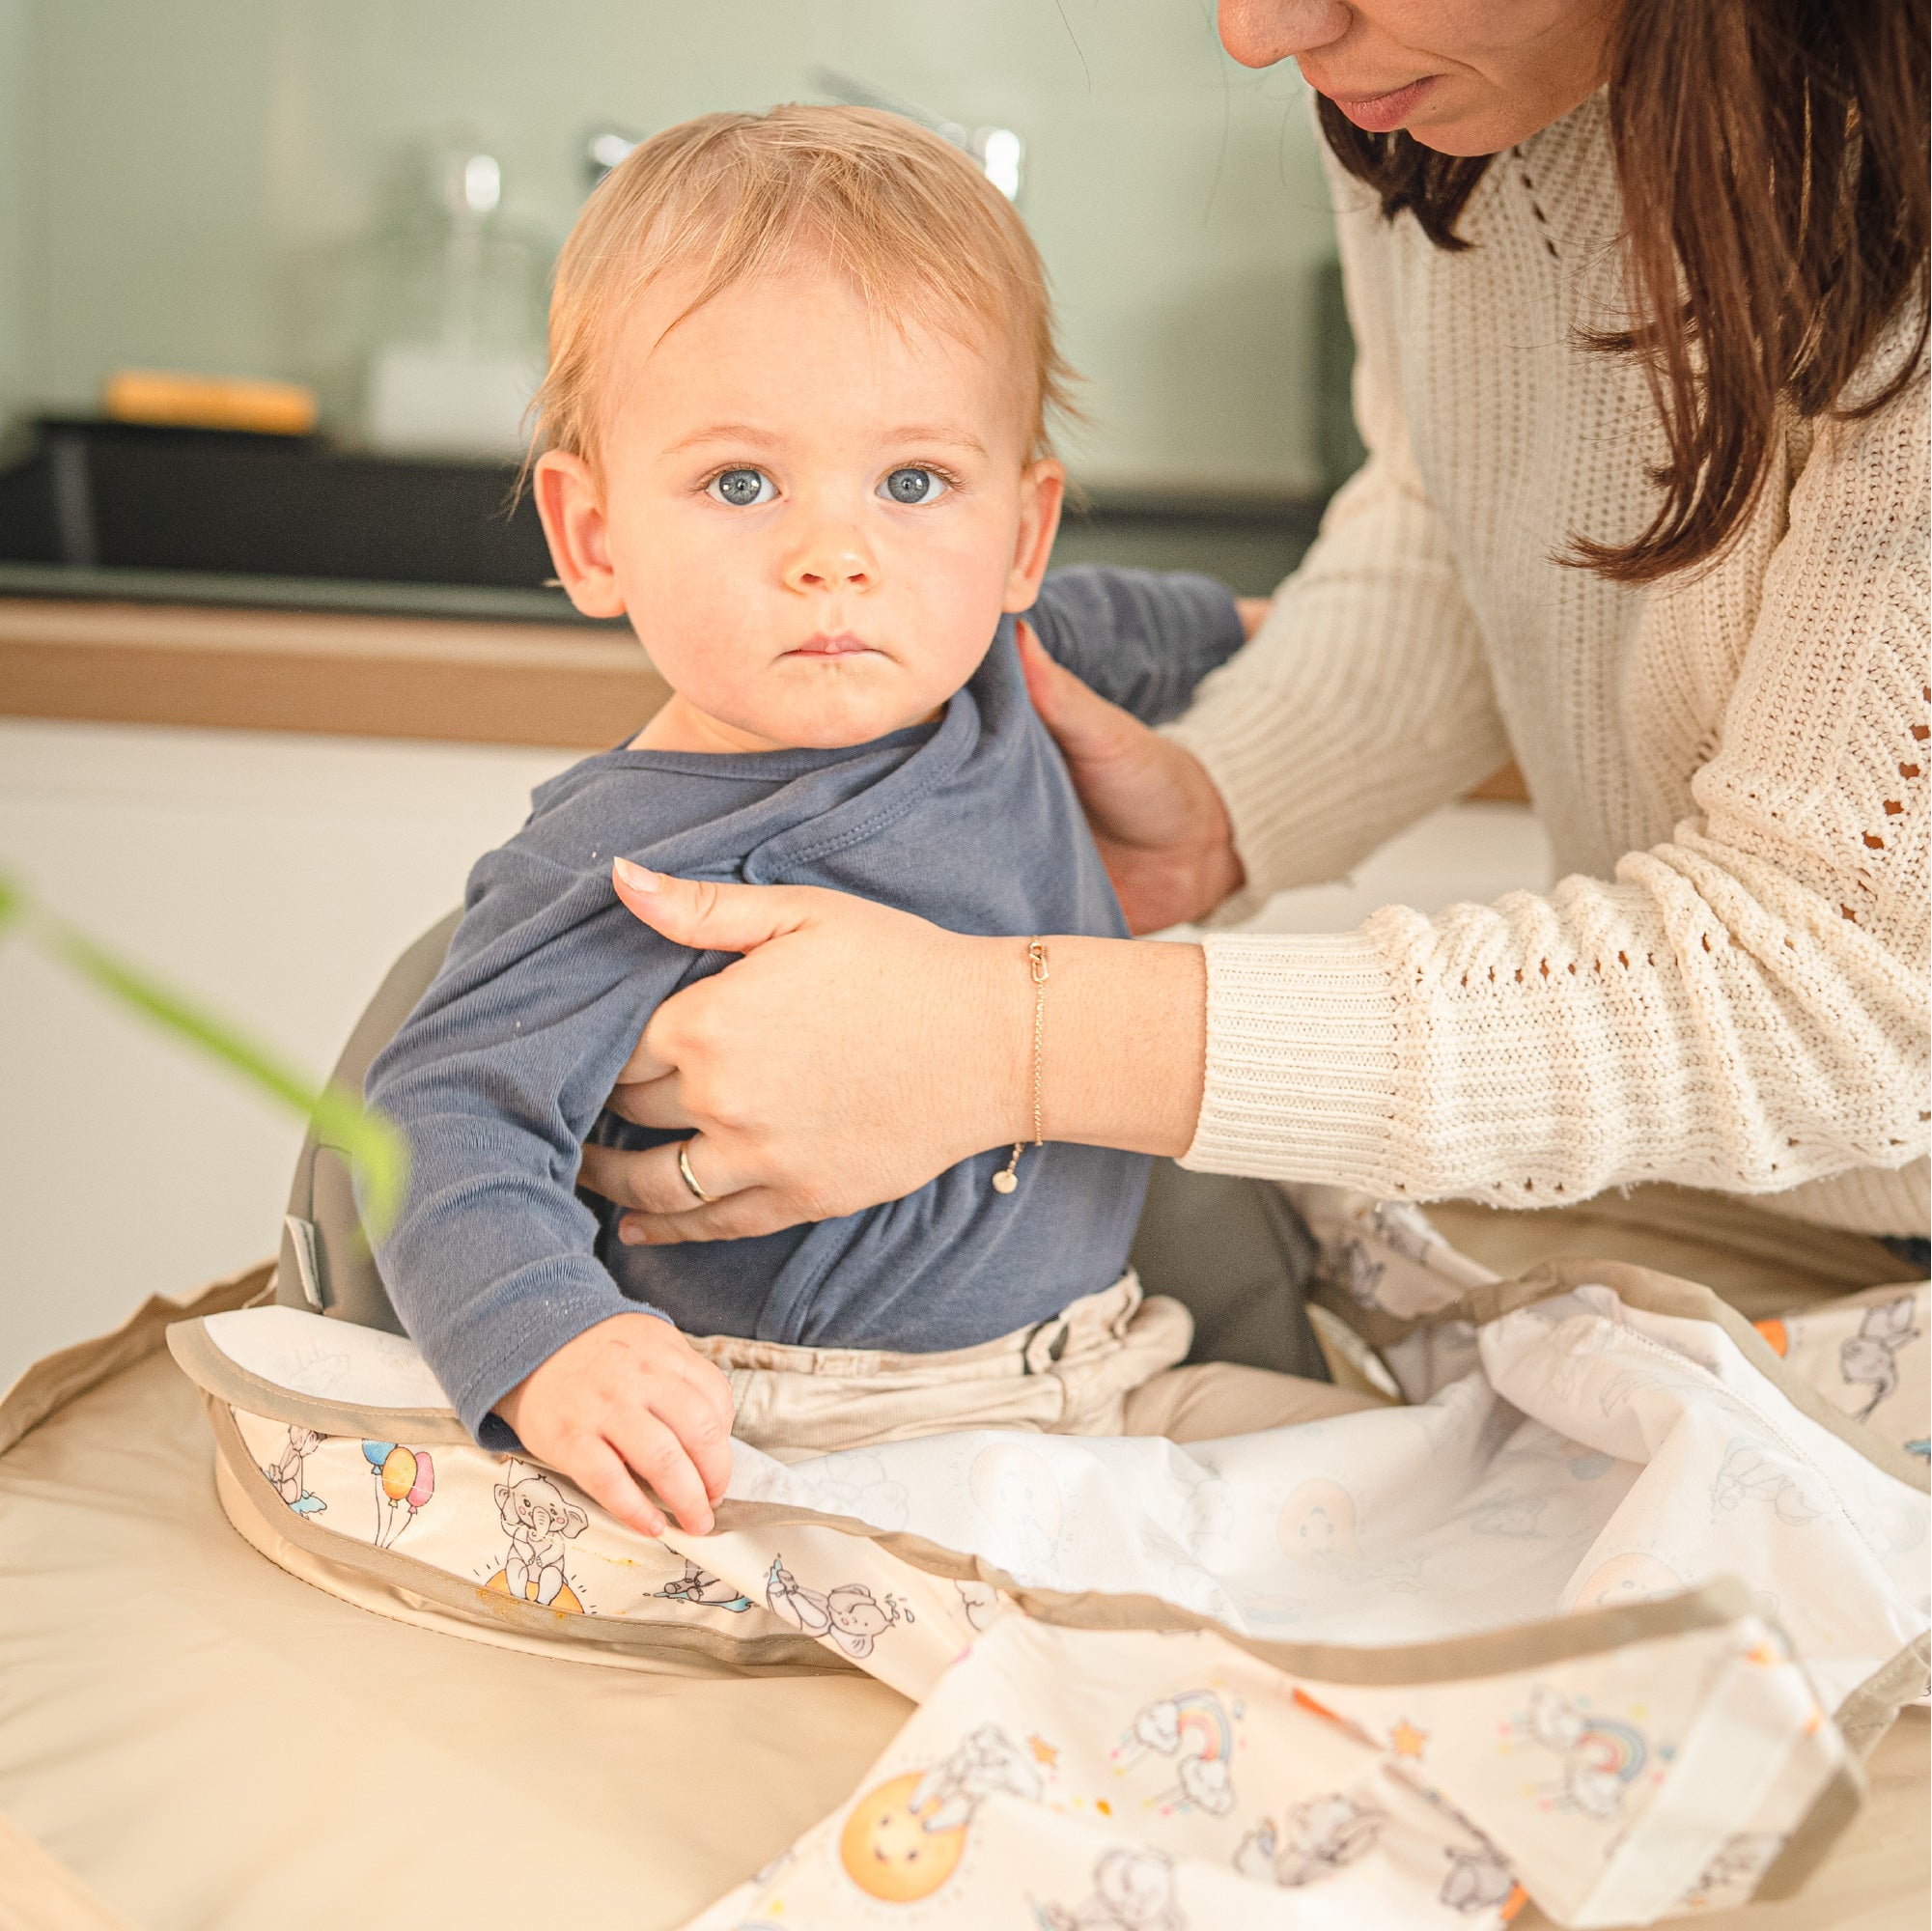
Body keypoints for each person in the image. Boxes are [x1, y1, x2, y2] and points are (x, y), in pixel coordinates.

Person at [576, 7, 1929, 1384]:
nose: (1261, 32)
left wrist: (1015, 1035)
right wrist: (1224, 809)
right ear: (589, 533)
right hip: (1685, 1185)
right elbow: (1460, 505)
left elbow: (1842, 985)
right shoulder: (1428, 87)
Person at [366, 106, 1371, 1546]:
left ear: (1019, 537)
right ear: (592, 537)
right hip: (815, 1430)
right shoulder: (621, 858)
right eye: (739, 483)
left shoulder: (1019, 659)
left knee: (1468, 1488)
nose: (836, 555)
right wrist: (550, 1346)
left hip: (1104, 1372)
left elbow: (1170, 624)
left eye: (912, 484)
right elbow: (439, 1119)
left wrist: (1297, 636)